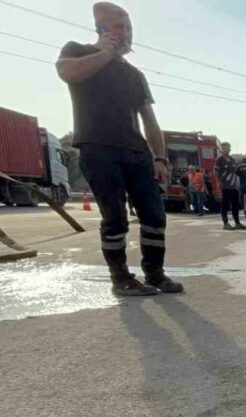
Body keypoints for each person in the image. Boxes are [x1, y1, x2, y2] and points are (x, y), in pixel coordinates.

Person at [55, 2, 182, 296]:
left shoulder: (134, 74)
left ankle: (155, 274)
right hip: (98, 148)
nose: (127, 33)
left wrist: (160, 157)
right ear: (101, 28)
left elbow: (150, 120)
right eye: (119, 27)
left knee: (154, 215)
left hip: (136, 152)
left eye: (129, 28)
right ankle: (121, 278)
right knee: (115, 218)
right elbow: (67, 73)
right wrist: (105, 53)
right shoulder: (77, 50)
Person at [214, 142, 246, 231]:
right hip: (224, 186)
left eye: (227, 148)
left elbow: (235, 172)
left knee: (235, 205)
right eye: (224, 148)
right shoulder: (219, 160)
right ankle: (225, 223)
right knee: (225, 205)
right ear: (221, 149)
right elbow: (216, 174)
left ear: (230, 149)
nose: (226, 150)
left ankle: (237, 223)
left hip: (233, 186)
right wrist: (218, 186)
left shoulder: (232, 159)